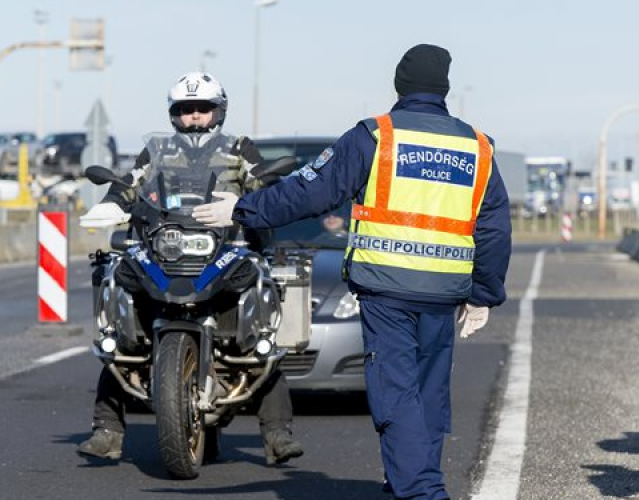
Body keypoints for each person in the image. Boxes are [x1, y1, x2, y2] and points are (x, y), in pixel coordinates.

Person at [193, 45, 512, 499]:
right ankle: (410, 481)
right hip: (444, 291)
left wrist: (243, 209)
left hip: (388, 288)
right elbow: (495, 227)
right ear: (444, 88)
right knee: (427, 393)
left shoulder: (376, 136)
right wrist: (483, 294)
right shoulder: (477, 146)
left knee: (395, 393)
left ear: (400, 84)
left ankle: (422, 491)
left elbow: (309, 191)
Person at [77, 71, 304, 466]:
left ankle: (277, 435)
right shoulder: (158, 150)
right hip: (167, 245)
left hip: (226, 245)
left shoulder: (238, 147)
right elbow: (131, 182)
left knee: (265, 346)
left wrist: (265, 192)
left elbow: (260, 182)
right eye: (185, 110)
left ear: (218, 110)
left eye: (202, 108)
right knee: (118, 343)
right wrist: (112, 203)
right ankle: (107, 430)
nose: (194, 116)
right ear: (173, 114)